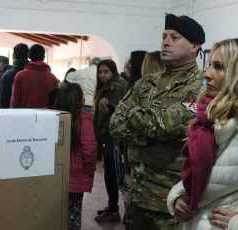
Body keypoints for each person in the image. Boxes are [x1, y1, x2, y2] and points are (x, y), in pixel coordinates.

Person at [109, 13, 205, 229]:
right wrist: (154, 126)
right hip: (136, 196)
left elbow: (172, 125)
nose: (165, 42)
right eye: (164, 36)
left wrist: (133, 117)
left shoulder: (200, 87)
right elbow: (115, 124)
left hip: (172, 201)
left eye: (175, 37)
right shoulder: (146, 83)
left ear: (194, 46)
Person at [167, 38, 238, 230]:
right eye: (209, 66)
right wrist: (177, 199)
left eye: (219, 67)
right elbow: (197, 174)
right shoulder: (207, 123)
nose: (206, 74)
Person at [53, 83, 97, 230]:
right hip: (76, 177)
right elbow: (89, 149)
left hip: (55, 177)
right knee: (73, 214)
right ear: (80, 100)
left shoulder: (52, 119)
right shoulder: (84, 120)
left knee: (53, 215)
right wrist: (89, 172)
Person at [93, 59, 127, 223]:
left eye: (106, 71)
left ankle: (113, 209)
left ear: (113, 71)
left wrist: (103, 133)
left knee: (112, 175)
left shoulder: (115, 87)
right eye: (100, 72)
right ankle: (112, 206)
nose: (102, 75)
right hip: (108, 137)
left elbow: (111, 116)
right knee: (110, 173)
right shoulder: (110, 86)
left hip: (110, 137)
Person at [10, 44, 59, 108]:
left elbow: (15, 101)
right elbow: (55, 102)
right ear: (44, 57)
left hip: (24, 116)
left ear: (29, 56)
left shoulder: (20, 75)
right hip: (46, 116)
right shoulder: (53, 78)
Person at [0, 43, 30, 108]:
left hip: (13, 114)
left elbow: (3, 99)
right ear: (28, 55)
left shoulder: (8, 74)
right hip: (35, 114)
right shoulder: (35, 73)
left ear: (14, 56)